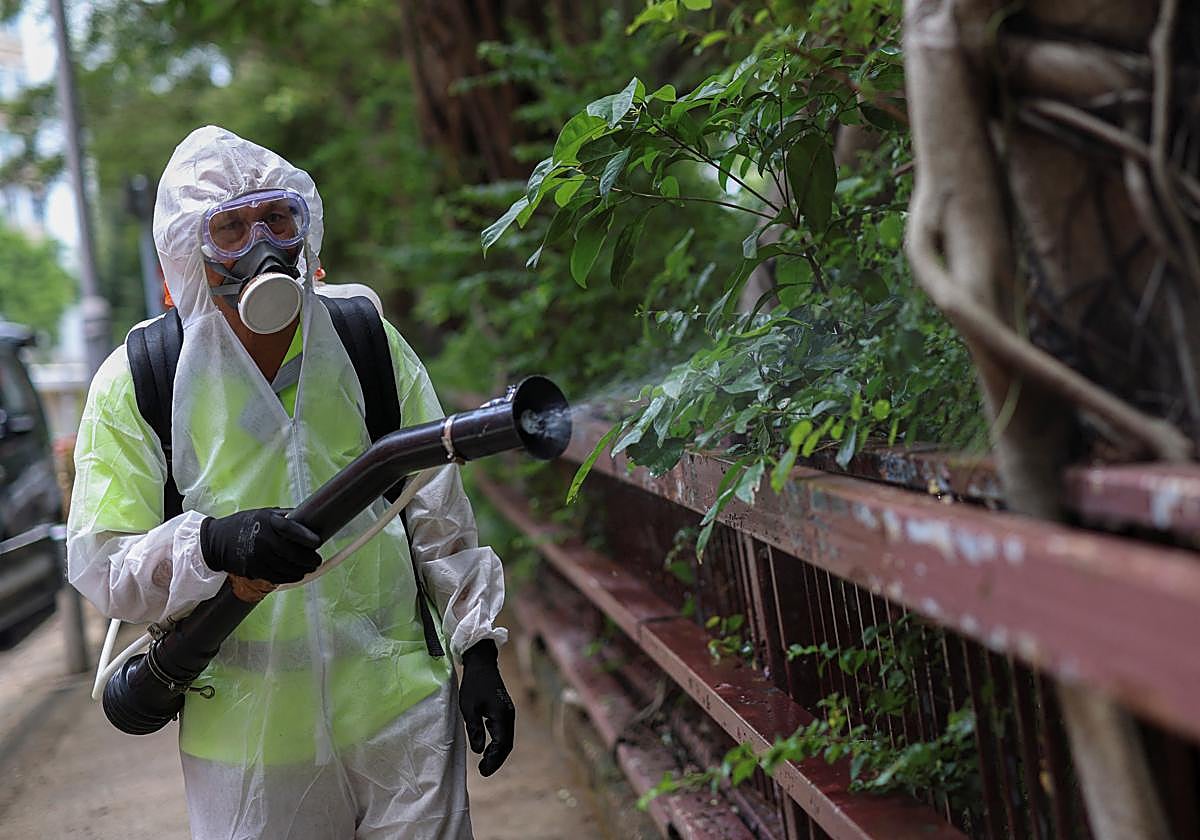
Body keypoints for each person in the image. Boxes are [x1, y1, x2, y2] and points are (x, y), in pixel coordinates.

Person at [67, 125, 513, 839]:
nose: (262, 245)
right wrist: (213, 544)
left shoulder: (364, 339)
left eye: (278, 218)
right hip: (247, 743)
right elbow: (103, 563)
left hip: (400, 713)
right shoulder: (139, 380)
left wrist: (478, 649)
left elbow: (436, 511)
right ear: (188, 254)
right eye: (230, 229)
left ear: (306, 227)